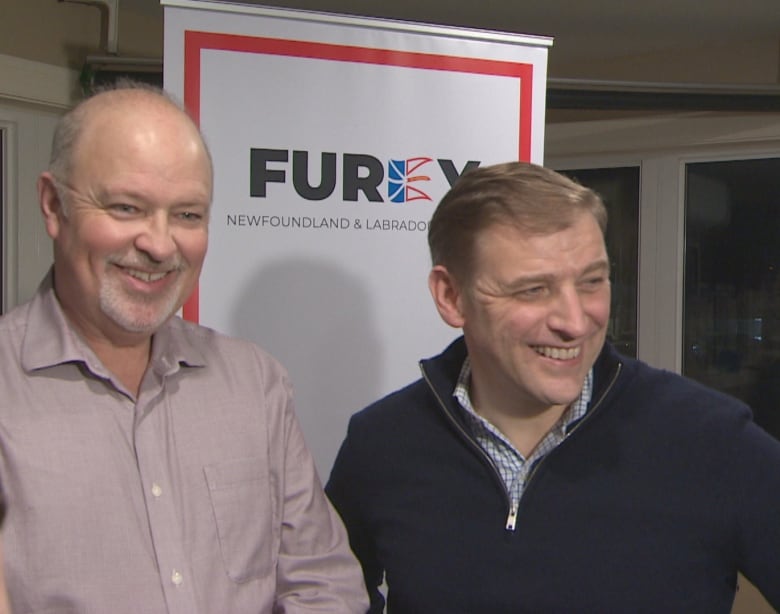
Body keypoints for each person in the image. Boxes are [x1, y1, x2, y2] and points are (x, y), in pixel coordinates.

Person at [326, 161, 780, 613]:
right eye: (533, 290)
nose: (575, 321)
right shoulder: (381, 444)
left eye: (591, 282)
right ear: (451, 296)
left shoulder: (711, 440)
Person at [0, 82, 368, 613]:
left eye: (187, 215)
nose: (159, 243)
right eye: (127, 207)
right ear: (54, 205)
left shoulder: (253, 384)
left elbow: (322, 582)